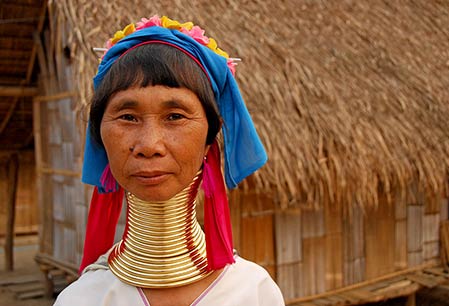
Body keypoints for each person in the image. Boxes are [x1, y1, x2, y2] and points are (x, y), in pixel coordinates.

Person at [54, 15, 284, 306]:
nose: (149, 145)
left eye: (175, 117)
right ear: (99, 136)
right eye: (127, 117)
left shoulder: (255, 293)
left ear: (209, 139)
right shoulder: (80, 300)